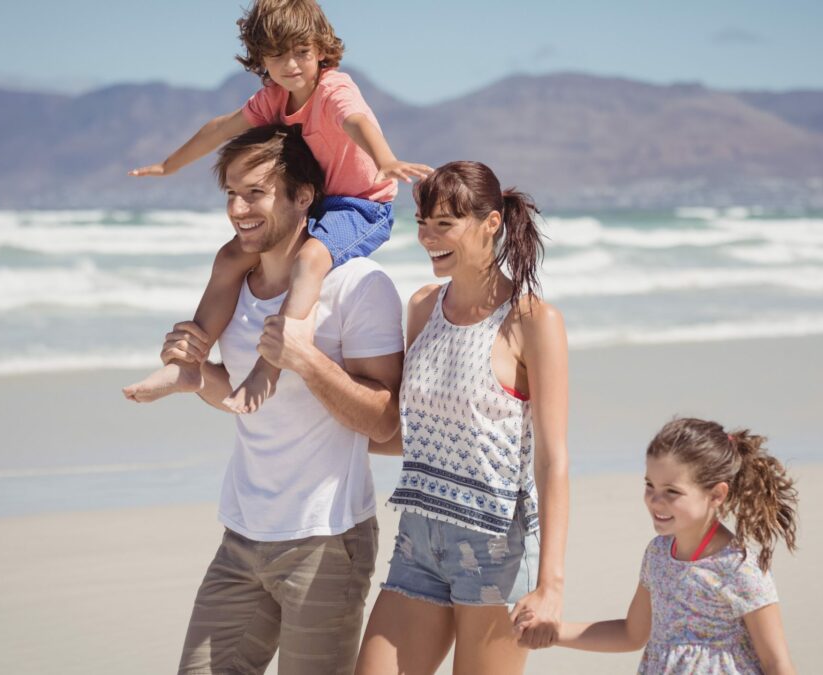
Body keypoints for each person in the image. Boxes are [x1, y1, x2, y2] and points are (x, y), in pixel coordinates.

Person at [160, 124, 404, 675]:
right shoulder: (239, 283)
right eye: (230, 193)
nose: (238, 209)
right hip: (243, 533)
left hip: (326, 539)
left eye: (255, 193)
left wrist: (306, 359)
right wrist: (196, 374)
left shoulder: (359, 285)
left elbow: (385, 420)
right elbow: (243, 399)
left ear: (302, 196)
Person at [122, 0, 429, 412]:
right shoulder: (272, 98)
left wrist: (386, 159)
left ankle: (269, 367)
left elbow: (356, 120)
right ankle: (187, 363)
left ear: (321, 49)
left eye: (301, 51)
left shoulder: (334, 89)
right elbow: (220, 128)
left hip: (360, 206)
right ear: (260, 57)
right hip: (315, 201)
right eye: (278, 53)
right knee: (232, 254)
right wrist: (168, 164)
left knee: (310, 258)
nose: (291, 64)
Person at [355, 161, 571, 675]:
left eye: (444, 224)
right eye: (422, 224)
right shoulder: (423, 306)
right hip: (418, 538)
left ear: (491, 223)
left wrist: (550, 585)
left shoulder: (532, 321)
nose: (428, 238)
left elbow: (553, 459)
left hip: (496, 543)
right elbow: (414, 434)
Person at [526, 418, 798, 674]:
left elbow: (776, 663)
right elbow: (632, 634)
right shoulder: (658, 554)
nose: (655, 500)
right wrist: (553, 632)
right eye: (649, 485)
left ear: (716, 494)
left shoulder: (739, 568)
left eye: (672, 491)